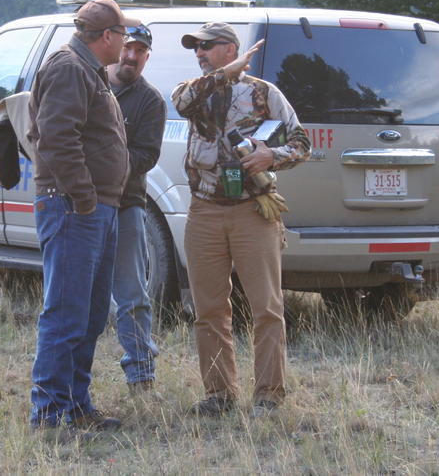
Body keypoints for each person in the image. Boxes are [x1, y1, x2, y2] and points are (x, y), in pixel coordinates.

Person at [171, 21, 310, 418]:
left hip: (253, 210)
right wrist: (220, 76)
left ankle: (268, 395)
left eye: (207, 46)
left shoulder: (265, 93)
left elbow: (302, 143)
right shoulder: (193, 92)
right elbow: (180, 104)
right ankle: (219, 394)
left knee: (266, 306)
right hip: (204, 211)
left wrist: (272, 156)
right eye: (195, 47)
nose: (199, 52)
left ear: (231, 49)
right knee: (209, 308)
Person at [26, 0, 136, 431]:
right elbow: (55, 137)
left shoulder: (88, 70)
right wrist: (85, 197)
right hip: (73, 207)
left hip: (95, 208)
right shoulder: (69, 67)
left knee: (89, 314)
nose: (126, 45)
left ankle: (74, 404)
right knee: (66, 311)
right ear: (106, 36)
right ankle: (50, 412)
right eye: (123, 35)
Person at [105, 24, 166, 393]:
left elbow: (146, 156)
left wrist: (105, 161)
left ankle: (141, 375)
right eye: (127, 47)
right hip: (81, 206)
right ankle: (70, 381)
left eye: (139, 51)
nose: (131, 56)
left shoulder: (150, 101)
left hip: (126, 204)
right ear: (115, 47)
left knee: (132, 294)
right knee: (78, 294)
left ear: (146, 56)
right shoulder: (90, 83)